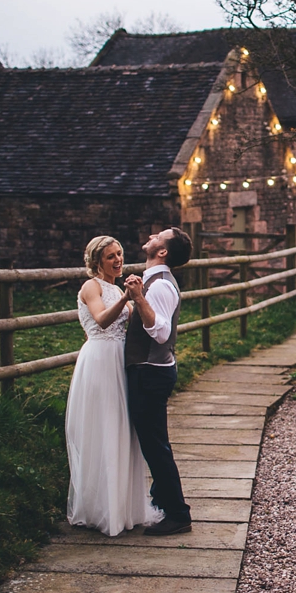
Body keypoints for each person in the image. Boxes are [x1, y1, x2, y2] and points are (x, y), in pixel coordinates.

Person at [65, 236, 163, 536]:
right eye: (110, 257)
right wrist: (126, 298)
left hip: (121, 364)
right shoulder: (91, 287)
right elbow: (102, 320)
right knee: (103, 428)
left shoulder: (117, 287)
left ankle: (124, 507)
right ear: (97, 262)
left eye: (120, 254)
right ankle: (100, 507)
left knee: (123, 429)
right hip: (99, 362)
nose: (118, 260)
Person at [123, 226, 194, 536]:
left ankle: (178, 513)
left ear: (163, 251)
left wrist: (139, 299)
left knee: (155, 447)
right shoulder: (152, 280)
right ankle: (162, 502)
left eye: (159, 235)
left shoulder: (161, 286)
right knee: (154, 443)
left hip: (151, 372)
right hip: (149, 370)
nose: (151, 235)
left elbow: (162, 332)